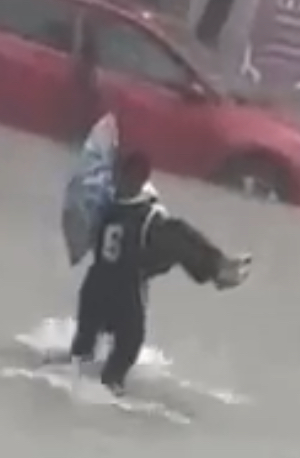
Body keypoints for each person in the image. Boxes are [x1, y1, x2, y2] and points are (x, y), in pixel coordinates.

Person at [71, 150, 251, 394]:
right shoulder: (150, 217)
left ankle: (216, 269)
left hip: (95, 287)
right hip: (126, 293)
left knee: (82, 351)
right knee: (123, 354)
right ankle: (216, 270)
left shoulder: (103, 203)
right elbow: (175, 243)